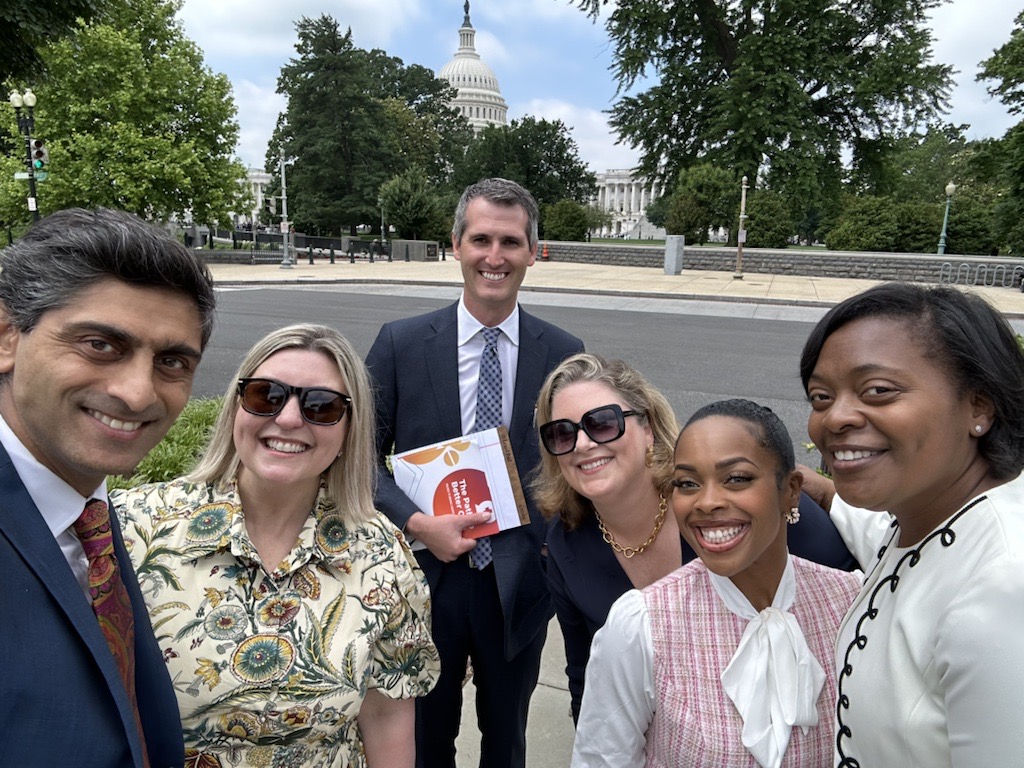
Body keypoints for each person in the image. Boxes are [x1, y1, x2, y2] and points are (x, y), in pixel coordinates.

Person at [112, 324, 439, 768]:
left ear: (350, 430)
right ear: (235, 408)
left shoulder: (381, 553)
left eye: (321, 406)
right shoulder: (132, 530)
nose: (287, 418)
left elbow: (386, 718)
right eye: (266, 395)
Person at [365, 178, 584, 768]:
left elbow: (579, 465)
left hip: (518, 581)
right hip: (427, 576)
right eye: (482, 239)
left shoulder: (563, 352)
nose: (496, 256)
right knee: (426, 739)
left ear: (534, 252)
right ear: (456, 245)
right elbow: (356, 457)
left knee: (506, 739)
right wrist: (416, 522)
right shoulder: (401, 344)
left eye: (511, 242)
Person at [0, 207, 216, 766]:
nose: (138, 393)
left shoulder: (85, 512)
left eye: (171, 361)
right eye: (100, 345)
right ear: (7, 336)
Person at [532, 354, 859, 722]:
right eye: (562, 432)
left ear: (648, 429)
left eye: (603, 424)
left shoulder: (731, 506)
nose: (582, 444)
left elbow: (852, 603)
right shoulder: (565, 544)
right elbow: (586, 677)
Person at [799, 282, 1024, 766]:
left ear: (978, 407)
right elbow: (899, 549)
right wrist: (823, 490)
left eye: (877, 391)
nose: (834, 418)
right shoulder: (928, 516)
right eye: (820, 397)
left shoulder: (1004, 586)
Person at [571, 399, 861, 767]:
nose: (706, 502)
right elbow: (602, 758)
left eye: (736, 478)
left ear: (790, 490)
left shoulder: (852, 605)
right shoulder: (643, 626)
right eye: (687, 483)